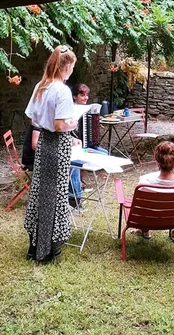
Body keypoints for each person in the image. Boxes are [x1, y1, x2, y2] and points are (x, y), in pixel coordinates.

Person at [24, 45, 77, 263]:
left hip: (44, 142)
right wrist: (73, 122)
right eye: (72, 66)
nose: (72, 71)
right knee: (54, 196)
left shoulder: (41, 85)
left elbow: (31, 117)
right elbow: (58, 125)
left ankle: (35, 246)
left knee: (40, 194)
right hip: (57, 145)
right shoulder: (62, 90)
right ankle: (49, 250)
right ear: (66, 66)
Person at [137, 141, 174, 239]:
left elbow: (140, 206)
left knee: (147, 211)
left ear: (156, 159)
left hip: (147, 220)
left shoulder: (144, 181)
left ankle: (145, 229)